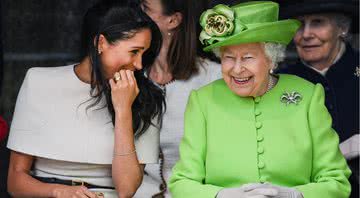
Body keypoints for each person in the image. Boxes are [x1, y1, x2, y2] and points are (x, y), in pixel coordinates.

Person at [169, 1, 351, 198]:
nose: (237, 69)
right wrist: (221, 195)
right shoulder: (203, 100)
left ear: (270, 59)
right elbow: (182, 183)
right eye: (228, 58)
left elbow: (336, 181)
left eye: (247, 58)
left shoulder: (308, 95)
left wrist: (295, 195)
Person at [6, 1, 165, 197]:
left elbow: (126, 189)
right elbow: (15, 181)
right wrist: (61, 192)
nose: (140, 65)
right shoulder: (38, 82)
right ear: (101, 43)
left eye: (144, 53)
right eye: (134, 51)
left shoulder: (147, 98)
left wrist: (123, 109)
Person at [134, 0, 222, 197]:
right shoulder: (131, 76)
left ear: (173, 20)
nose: (135, 14)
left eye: (146, 9)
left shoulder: (214, 78)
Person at [277, 0, 359, 197]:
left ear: (342, 28)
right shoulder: (279, 82)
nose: (306, 34)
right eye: (299, 25)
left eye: (318, 22)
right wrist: (344, 149)